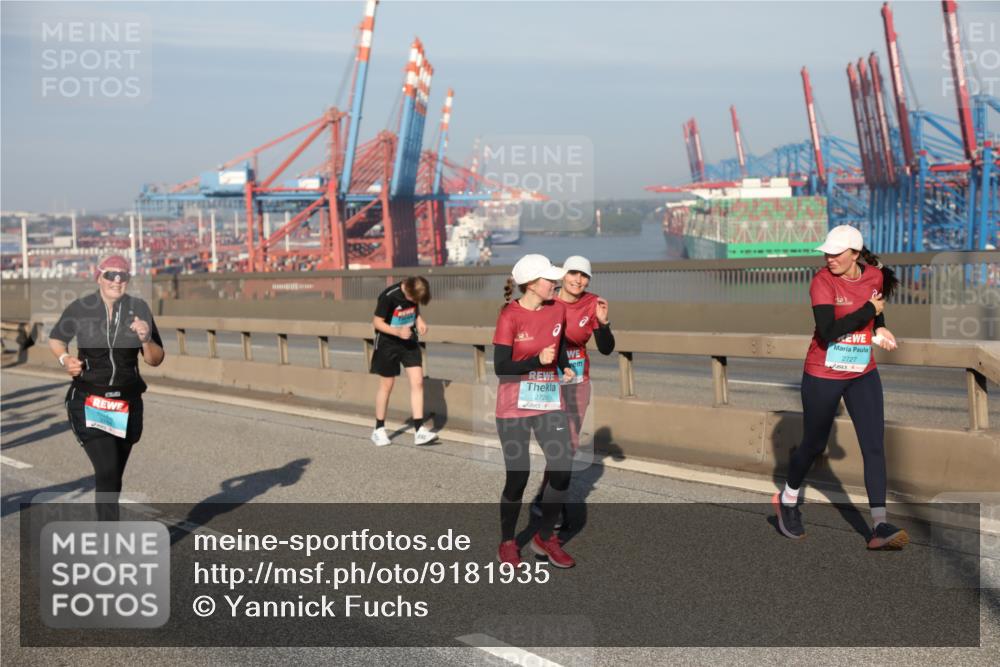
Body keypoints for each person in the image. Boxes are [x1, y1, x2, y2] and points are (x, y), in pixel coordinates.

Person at [773, 225, 907, 550]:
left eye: (836, 253)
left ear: (855, 255)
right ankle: (787, 500)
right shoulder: (822, 281)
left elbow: (875, 314)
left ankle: (879, 526)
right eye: (827, 253)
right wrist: (870, 312)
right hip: (823, 372)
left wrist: (881, 329)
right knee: (815, 443)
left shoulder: (875, 277)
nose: (829, 258)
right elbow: (829, 330)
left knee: (874, 445)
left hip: (862, 371)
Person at [48, 255, 165, 521]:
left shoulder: (139, 309)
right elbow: (57, 339)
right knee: (108, 470)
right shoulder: (80, 308)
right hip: (90, 400)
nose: (116, 280)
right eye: (110, 274)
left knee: (113, 478)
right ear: (98, 276)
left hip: (127, 403)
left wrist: (145, 339)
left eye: (122, 275)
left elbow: (155, 359)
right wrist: (65, 359)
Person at [493, 254, 578, 568]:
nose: (554, 283)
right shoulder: (509, 316)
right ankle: (507, 541)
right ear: (530, 284)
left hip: (547, 401)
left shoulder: (557, 310)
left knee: (562, 469)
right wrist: (535, 362)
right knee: (518, 477)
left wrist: (564, 367)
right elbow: (501, 368)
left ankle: (545, 536)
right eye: (549, 279)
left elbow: (558, 349)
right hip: (513, 406)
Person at [531, 256, 615, 523]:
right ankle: (554, 504)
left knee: (567, 447)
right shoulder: (547, 300)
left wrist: (602, 323)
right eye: (573, 274)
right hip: (548, 380)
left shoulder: (593, 303)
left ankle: (545, 498)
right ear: (563, 275)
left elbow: (606, 348)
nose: (578, 280)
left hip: (577, 381)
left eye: (584, 275)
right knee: (561, 447)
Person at [370, 276, 436, 447]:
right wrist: (398, 332)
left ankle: (419, 430)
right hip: (387, 344)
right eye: (414, 299)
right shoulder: (389, 296)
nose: (415, 302)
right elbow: (376, 322)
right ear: (407, 289)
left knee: (418, 382)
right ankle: (378, 429)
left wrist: (419, 320)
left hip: (409, 341)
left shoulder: (413, 293)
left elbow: (414, 309)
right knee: (387, 385)